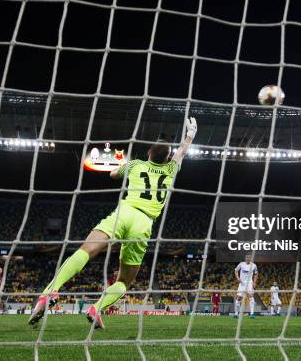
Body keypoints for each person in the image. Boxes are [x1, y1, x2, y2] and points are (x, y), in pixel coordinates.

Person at [28, 118, 198, 328]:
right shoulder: (171, 169)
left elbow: (113, 174)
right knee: (124, 281)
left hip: (124, 212)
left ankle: (49, 292)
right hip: (144, 224)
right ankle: (96, 308)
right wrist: (190, 135)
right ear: (167, 158)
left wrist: (123, 168)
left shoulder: (136, 164)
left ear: (148, 154)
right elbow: (181, 152)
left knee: (87, 249)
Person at [233, 254, 258, 319]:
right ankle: (236, 313)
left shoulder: (254, 265)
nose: (248, 258)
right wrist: (238, 278)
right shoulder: (241, 264)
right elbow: (236, 271)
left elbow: (256, 274)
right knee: (238, 298)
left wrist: (254, 282)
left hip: (249, 283)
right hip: (242, 284)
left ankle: (252, 314)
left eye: (249, 257)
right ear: (245, 258)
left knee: (251, 297)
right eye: (247, 257)